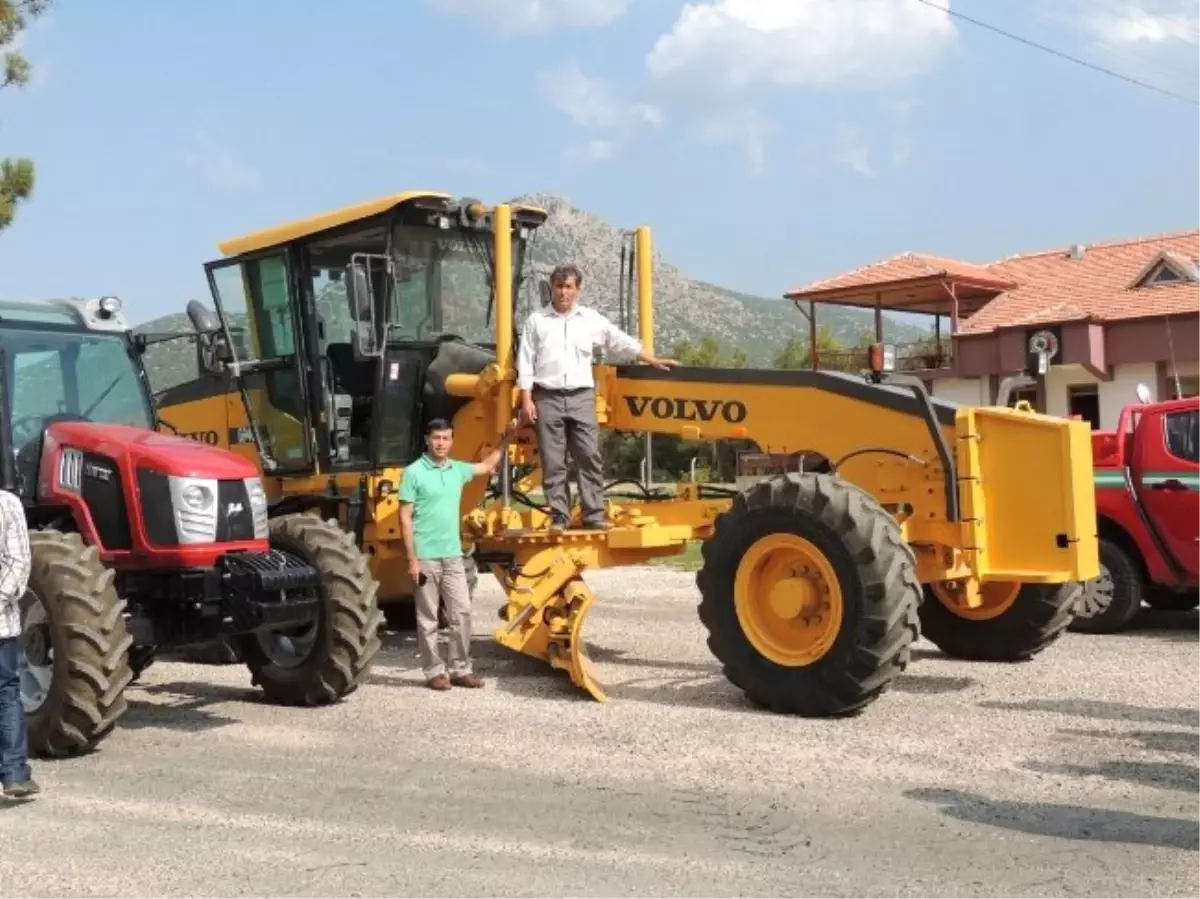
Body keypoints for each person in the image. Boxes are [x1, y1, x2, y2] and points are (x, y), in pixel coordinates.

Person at [516, 263, 675, 532]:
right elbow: (526, 361)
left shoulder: (589, 319)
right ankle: (559, 516)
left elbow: (617, 339)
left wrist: (650, 358)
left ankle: (593, 514)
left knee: (589, 455)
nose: (563, 292)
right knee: (553, 460)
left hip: (580, 396)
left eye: (568, 287)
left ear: (577, 290)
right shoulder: (536, 321)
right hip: (547, 396)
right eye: (559, 286)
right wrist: (526, 399)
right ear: (551, 288)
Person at [399, 417, 516, 691]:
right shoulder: (413, 473)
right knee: (428, 619)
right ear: (428, 440)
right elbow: (404, 518)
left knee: (461, 612)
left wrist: (508, 437)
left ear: (452, 441)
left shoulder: (457, 470)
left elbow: (487, 465)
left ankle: (460, 669)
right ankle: (433, 672)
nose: (441, 443)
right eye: (436, 438)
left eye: (446, 438)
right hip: (426, 557)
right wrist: (412, 560)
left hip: (453, 556)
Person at [0, 487, 36, 800]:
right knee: (6, 693)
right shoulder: (7, 503)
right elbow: (18, 562)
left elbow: (16, 562)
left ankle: (13, 773)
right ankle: (13, 772)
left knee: (5, 692)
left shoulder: (6, 504)